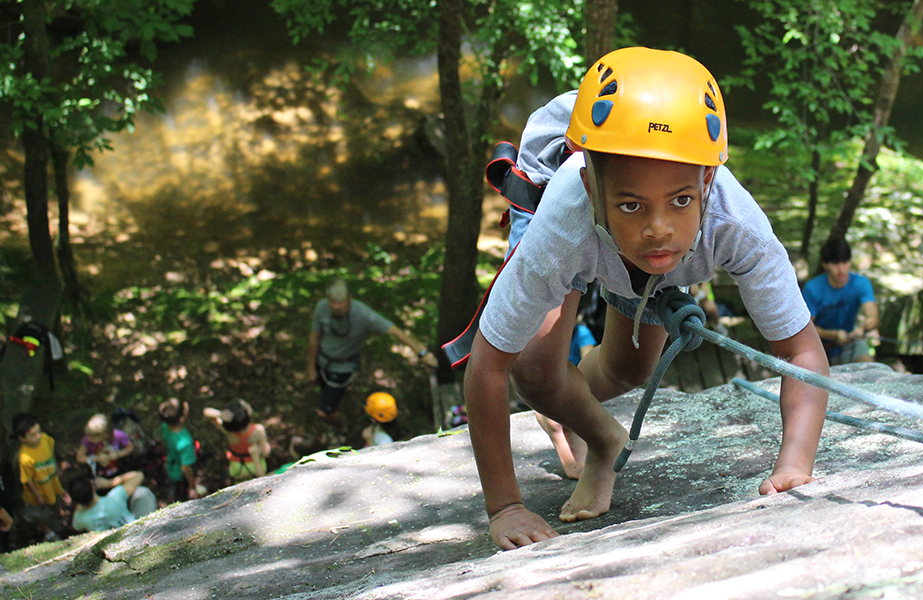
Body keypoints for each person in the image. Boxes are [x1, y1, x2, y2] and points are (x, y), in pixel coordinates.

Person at [465, 47, 829, 550]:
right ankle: (601, 435)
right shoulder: (564, 226)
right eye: (634, 205)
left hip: (617, 223)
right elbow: (487, 365)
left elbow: (801, 353)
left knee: (630, 370)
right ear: (592, 187)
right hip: (580, 216)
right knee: (535, 372)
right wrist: (505, 507)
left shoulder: (736, 226)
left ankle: (570, 410)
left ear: (706, 181)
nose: (659, 229)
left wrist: (794, 466)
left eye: (680, 201)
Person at [307, 278, 438, 426]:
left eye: (340, 302)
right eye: (333, 302)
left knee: (323, 412)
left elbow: (395, 332)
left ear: (349, 298)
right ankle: (338, 409)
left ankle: (343, 428)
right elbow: (314, 337)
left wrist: (422, 353)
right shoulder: (322, 308)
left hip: (343, 368)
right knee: (332, 397)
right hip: (323, 361)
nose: (336, 307)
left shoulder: (362, 313)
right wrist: (311, 367)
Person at [802, 238, 879, 365]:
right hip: (817, 347)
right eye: (835, 264)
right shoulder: (813, 288)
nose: (841, 269)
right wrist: (833, 335)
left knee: (867, 363)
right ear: (825, 265)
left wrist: (862, 329)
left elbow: (873, 318)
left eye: (844, 262)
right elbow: (806, 329)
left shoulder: (861, 283)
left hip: (848, 345)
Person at [14, 414, 69, 541]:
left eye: (38, 432)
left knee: (54, 503)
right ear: (22, 438)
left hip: (51, 483)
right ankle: (47, 531)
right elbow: (26, 480)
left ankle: (57, 523)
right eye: (33, 435)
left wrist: (57, 470)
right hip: (36, 494)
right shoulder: (25, 457)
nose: (38, 436)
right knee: (39, 515)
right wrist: (37, 495)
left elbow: (51, 453)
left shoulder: (45, 439)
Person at [68, 471, 157, 532]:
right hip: (135, 531)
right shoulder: (115, 497)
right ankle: (151, 525)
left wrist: (78, 506)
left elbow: (76, 526)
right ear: (93, 488)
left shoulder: (80, 518)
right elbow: (138, 475)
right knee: (142, 492)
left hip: (114, 545)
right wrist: (110, 482)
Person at [203, 399, 270, 481]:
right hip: (255, 468)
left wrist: (220, 414)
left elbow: (206, 412)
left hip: (237, 469)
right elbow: (266, 452)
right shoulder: (258, 430)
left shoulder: (228, 432)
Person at [157, 399, 203, 501]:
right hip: (180, 476)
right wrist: (192, 486)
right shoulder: (185, 443)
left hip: (170, 466)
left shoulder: (165, 426)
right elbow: (186, 468)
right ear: (181, 418)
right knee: (180, 496)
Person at [76, 414, 135, 479]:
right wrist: (97, 458)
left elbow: (130, 448)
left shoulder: (119, 436)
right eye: (88, 435)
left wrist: (118, 454)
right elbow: (80, 457)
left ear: (105, 435)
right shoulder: (87, 440)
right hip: (98, 475)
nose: (89, 438)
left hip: (118, 471)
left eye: (92, 437)